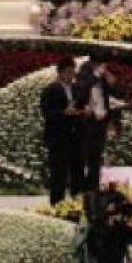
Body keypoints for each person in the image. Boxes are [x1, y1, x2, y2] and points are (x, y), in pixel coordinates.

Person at [41, 57, 86, 205]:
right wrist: (63, 112)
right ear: (60, 73)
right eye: (68, 73)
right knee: (58, 176)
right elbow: (47, 113)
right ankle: (57, 206)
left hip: (76, 137)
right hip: (58, 138)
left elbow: (81, 107)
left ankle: (76, 204)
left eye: (73, 73)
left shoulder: (77, 89)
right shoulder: (50, 89)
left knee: (78, 174)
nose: (71, 76)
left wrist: (84, 111)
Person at [77, 59, 116, 193]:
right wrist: (96, 74)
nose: (103, 69)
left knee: (96, 156)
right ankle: (81, 186)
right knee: (84, 155)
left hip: (101, 121)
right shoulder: (85, 76)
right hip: (87, 122)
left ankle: (92, 187)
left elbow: (114, 89)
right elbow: (82, 89)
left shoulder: (102, 80)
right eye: (100, 66)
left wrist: (110, 80)